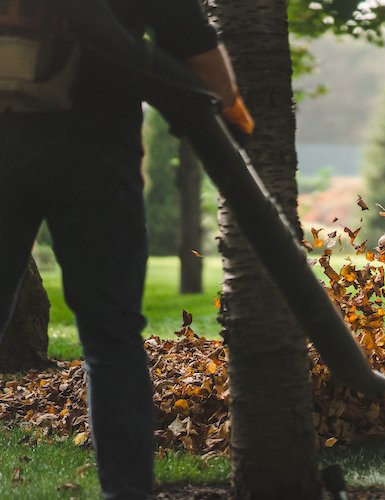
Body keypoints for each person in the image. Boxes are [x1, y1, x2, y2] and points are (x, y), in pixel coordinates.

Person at [0, 1, 251, 497]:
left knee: (110, 337)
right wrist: (230, 106)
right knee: (111, 336)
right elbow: (187, 35)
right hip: (96, 156)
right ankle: (128, 491)